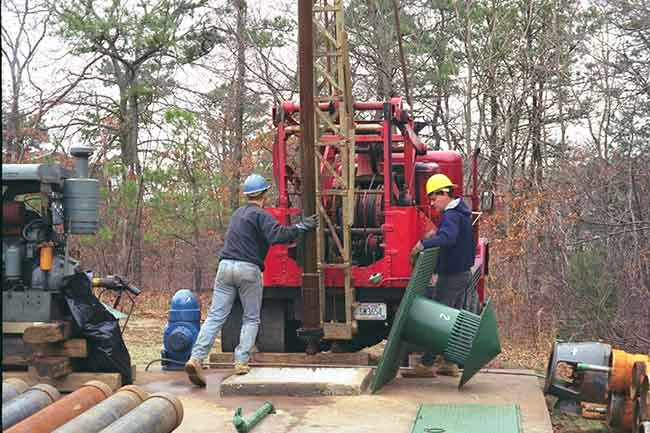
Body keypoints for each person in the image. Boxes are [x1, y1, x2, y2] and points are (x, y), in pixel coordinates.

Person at [185, 173, 317, 387]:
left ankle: (196, 358)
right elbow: (278, 236)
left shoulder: (238, 214)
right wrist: (301, 227)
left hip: (225, 267)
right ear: (264, 195)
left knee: (216, 316)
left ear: (247, 195)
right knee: (251, 317)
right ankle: (241, 362)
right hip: (248, 269)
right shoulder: (261, 215)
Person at [410, 173, 477, 376]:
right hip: (461, 274)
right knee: (452, 320)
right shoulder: (461, 211)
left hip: (452, 277)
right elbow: (450, 238)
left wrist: (423, 244)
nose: (432, 203)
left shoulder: (452, 214)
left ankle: (427, 364)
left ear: (444, 193)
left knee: (439, 320)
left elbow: (448, 238)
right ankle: (449, 363)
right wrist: (435, 235)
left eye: (433, 198)